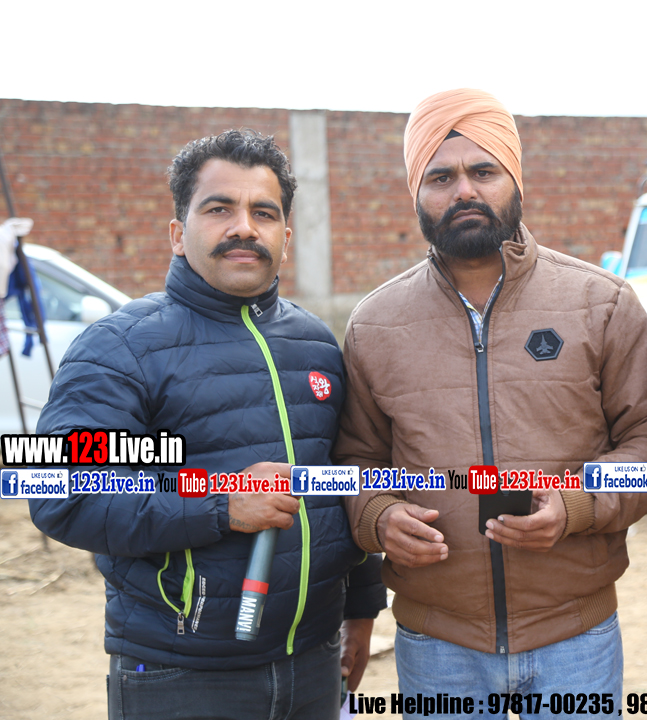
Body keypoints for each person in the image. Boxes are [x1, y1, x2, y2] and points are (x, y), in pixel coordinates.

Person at [333, 88, 647, 718]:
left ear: (515, 179)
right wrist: (379, 516)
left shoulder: (600, 304)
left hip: (575, 634)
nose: (464, 190)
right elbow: (355, 462)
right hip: (437, 644)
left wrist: (575, 505)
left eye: (483, 171)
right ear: (416, 192)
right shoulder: (375, 324)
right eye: (441, 177)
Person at [28, 130, 384, 720]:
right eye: (219, 209)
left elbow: (348, 478)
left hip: (314, 663)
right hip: (181, 675)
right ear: (177, 233)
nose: (244, 227)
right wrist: (221, 505)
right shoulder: (121, 350)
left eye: (263, 213)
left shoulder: (318, 345)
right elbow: (61, 491)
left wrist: (362, 608)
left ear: (285, 238)